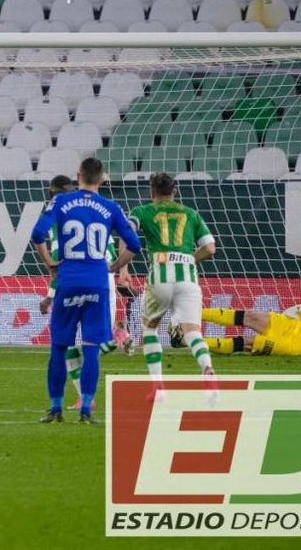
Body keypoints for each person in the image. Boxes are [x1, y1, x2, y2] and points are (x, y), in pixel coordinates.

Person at [30, 158, 142, 423]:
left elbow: (37, 234)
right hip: (97, 283)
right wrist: (114, 266)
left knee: (59, 347)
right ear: (102, 179)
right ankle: (86, 409)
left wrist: (49, 262)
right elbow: (134, 244)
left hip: (67, 281)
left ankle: (55, 408)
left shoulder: (60, 202)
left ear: (78, 175)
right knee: (91, 348)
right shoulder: (110, 207)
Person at [128, 173, 217, 388]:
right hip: (187, 276)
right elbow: (210, 248)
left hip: (159, 274)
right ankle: (207, 367)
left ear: (152, 192)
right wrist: (189, 260)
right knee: (192, 331)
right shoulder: (191, 214)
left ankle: (157, 384)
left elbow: (128, 231)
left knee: (150, 329)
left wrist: (122, 265)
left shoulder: (142, 211)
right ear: (174, 191)